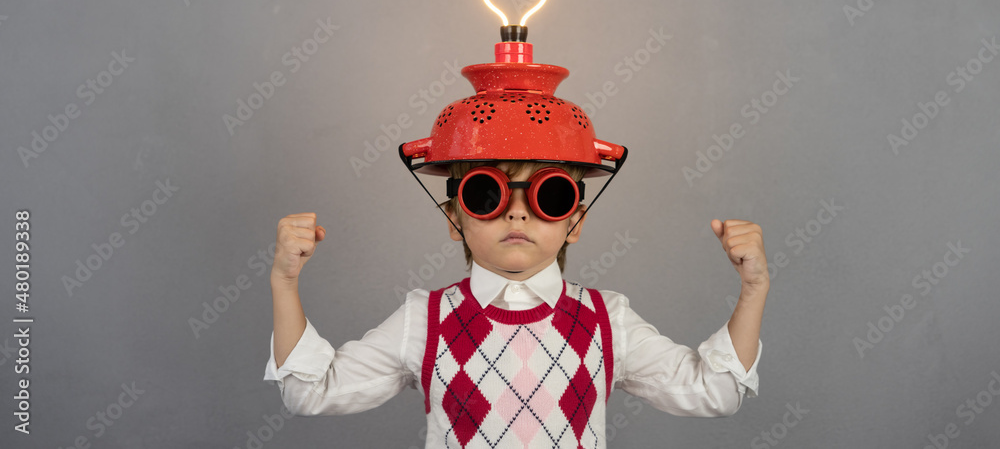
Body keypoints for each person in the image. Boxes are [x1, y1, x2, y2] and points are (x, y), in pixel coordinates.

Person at [264, 156, 768, 446]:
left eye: (549, 197)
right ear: (454, 216)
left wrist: (753, 291)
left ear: (576, 221)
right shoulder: (427, 318)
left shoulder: (604, 319)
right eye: (488, 195)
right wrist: (284, 284)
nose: (518, 215)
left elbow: (716, 393)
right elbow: (311, 392)